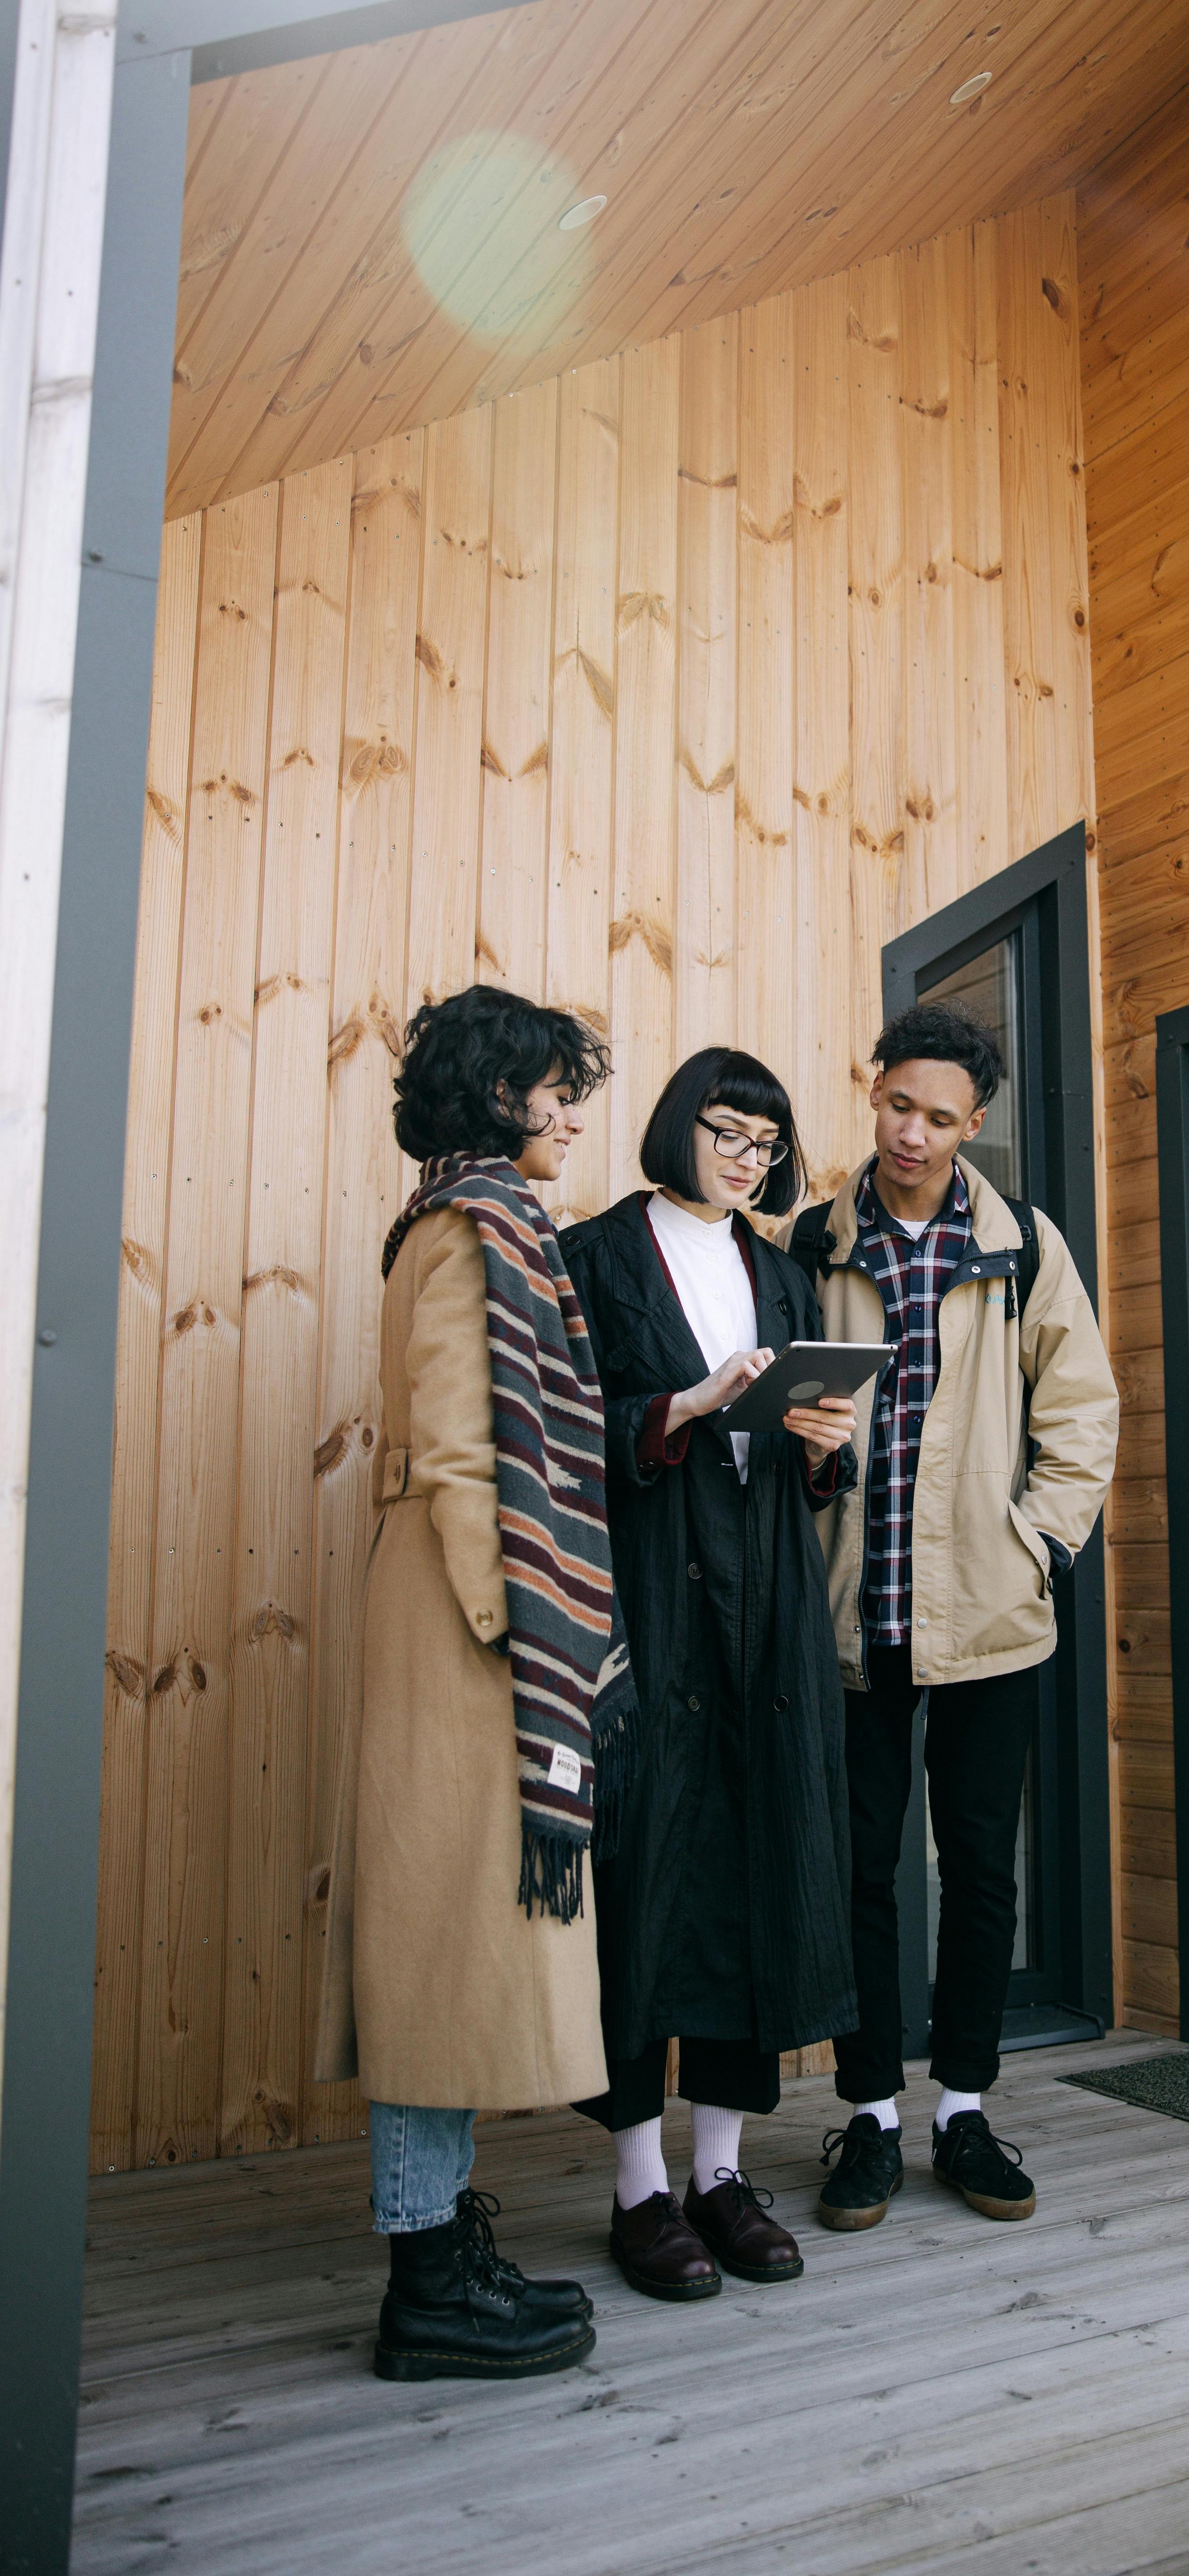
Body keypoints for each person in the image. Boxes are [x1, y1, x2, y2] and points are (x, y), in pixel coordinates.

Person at [315, 983, 627, 2382]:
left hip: (465, 1616)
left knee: (440, 1950)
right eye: (555, 1085)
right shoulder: (469, 1231)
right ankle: (428, 2287)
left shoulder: (484, 1223)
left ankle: (440, 2250)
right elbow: (456, 1455)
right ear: (497, 1094)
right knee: (437, 1953)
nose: (573, 1110)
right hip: (466, 1625)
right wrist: (527, 1633)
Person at [796, 1002, 1118, 2232]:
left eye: (939, 1117)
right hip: (852, 1613)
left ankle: (966, 2110)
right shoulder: (810, 1242)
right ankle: (870, 2117)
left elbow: (1082, 1412)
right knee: (859, 1873)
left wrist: (1037, 1544)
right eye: (896, 1105)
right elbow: (787, 1416)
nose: (912, 1134)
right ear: (871, 1093)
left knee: (982, 1871)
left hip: (991, 1617)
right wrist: (815, 1474)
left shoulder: (1025, 1246)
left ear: (973, 1124)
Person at [558, 1048, 858, 2302]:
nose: (746, 1158)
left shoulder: (782, 1273)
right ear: (678, 1129)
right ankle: (638, 2190)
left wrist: (825, 1443)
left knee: (756, 1866)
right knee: (643, 1881)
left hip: (770, 1612)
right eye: (726, 1133)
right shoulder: (596, 1257)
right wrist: (679, 1408)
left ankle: (721, 2176)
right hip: (649, 1602)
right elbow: (564, 1428)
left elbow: (808, 1467)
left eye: (766, 1143)